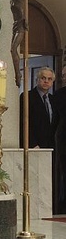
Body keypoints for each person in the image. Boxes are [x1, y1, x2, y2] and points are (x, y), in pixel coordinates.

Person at [0, 0, 46, 87]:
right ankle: (17, 73)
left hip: (21, 25)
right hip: (15, 25)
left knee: (13, 49)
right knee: (12, 50)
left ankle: (17, 74)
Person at [19, 66, 55, 149]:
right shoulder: (27, 96)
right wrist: (33, 144)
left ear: (52, 82)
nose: (46, 81)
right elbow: (23, 122)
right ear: (37, 79)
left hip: (51, 147)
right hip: (34, 145)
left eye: (49, 79)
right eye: (43, 78)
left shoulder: (53, 99)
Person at [52, 65, 66, 214]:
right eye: (63, 75)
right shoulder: (59, 94)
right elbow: (55, 120)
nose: (64, 77)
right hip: (63, 137)